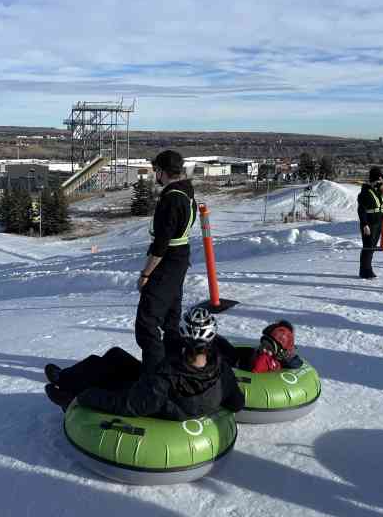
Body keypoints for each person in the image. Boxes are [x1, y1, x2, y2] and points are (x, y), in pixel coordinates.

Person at [43, 306, 245, 419]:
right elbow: (237, 403)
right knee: (116, 355)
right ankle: (66, 376)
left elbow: (131, 406)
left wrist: (83, 398)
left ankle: (69, 389)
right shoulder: (220, 368)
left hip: (157, 400)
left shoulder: (168, 377)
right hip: (171, 392)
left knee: (109, 380)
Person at [136, 149, 197, 372]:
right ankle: (174, 362)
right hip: (180, 258)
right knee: (171, 317)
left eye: (156, 171)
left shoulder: (171, 198)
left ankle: (156, 373)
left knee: (147, 321)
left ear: (162, 171)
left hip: (168, 261)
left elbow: (162, 243)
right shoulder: (186, 191)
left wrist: (146, 274)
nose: (155, 176)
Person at [357, 167, 383, 279]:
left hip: (378, 223)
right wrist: (364, 224)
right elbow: (361, 210)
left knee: (372, 248)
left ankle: (368, 268)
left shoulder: (378, 191)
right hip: (369, 224)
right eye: (379, 180)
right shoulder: (365, 192)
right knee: (367, 247)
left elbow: (382, 206)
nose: (381, 183)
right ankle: (364, 271)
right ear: (375, 179)